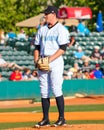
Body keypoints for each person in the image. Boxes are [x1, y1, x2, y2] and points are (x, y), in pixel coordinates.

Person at [34, 5, 70, 127]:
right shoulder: (42, 30)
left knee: (56, 88)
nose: (45, 15)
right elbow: (37, 47)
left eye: (47, 13)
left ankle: (62, 118)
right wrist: (36, 61)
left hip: (55, 60)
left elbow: (63, 48)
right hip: (43, 59)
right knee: (44, 90)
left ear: (54, 14)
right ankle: (45, 119)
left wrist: (49, 60)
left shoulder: (61, 29)